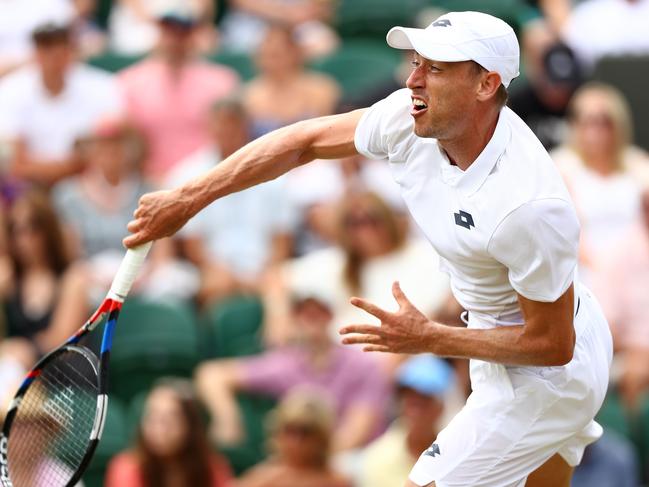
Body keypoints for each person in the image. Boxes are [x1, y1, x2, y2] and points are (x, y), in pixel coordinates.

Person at [125, 11, 613, 487]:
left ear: (486, 85)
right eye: (416, 63)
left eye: (435, 69)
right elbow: (305, 141)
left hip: (549, 371)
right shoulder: (410, 114)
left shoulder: (528, 206)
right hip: (518, 341)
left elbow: (552, 346)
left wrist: (430, 338)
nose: (414, 80)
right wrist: (190, 197)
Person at [194, 292, 389, 452]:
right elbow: (212, 375)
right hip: (304, 459)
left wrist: (311, 461)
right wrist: (228, 419)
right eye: (304, 313)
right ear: (295, 318)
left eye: (318, 313)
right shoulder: (285, 363)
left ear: (330, 316)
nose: (311, 320)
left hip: (357, 459)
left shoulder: (362, 363)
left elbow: (357, 432)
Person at [164, 99, 295, 304]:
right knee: (215, 286)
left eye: (233, 124)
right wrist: (228, 276)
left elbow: (281, 240)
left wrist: (265, 273)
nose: (227, 131)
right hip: (214, 270)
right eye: (221, 124)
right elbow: (193, 246)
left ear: (245, 127)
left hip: (265, 270)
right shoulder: (188, 174)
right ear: (210, 127)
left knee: (279, 289)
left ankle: (274, 337)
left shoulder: (275, 173)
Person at [118, 2, 239, 183]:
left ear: (193, 34)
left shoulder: (222, 81)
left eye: (182, 31)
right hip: (149, 184)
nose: (175, 39)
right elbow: (130, 142)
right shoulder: (130, 81)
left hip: (208, 182)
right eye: (169, 30)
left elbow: (230, 141)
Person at [0, 21, 123, 188]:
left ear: (72, 51)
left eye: (60, 47)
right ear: (36, 53)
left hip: (88, 187)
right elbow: (15, 164)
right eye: (46, 48)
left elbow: (108, 151)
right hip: (31, 188)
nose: (54, 57)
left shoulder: (103, 87)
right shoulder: (11, 89)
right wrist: (73, 165)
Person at [551, 82, 649, 282]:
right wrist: (602, 272)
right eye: (587, 121)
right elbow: (563, 233)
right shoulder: (561, 167)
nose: (595, 131)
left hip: (637, 276)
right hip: (586, 277)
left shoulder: (638, 166)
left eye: (604, 121)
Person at [105, 378, 233, 487]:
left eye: (169, 419)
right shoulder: (125, 468)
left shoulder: (213, 467)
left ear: (190, 425)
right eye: (152, 417)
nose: (159, 428)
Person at [359, 355, 454, 487]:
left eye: (424, 402)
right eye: (411, 402)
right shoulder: (376, 458)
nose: (416, 413)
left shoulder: (456, 453)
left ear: (441, 407)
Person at [236, 389, 352, 487]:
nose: (296, 441)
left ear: (323, 437)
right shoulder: (263, 479)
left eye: (305, 432)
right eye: (289, 431)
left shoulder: (338, 482)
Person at [244, 24, 340, 139]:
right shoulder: (247, 95)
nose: (270, 62)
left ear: (295, 52)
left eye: (276, 55)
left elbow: (330, 134)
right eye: (265, 54)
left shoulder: (321, 89)